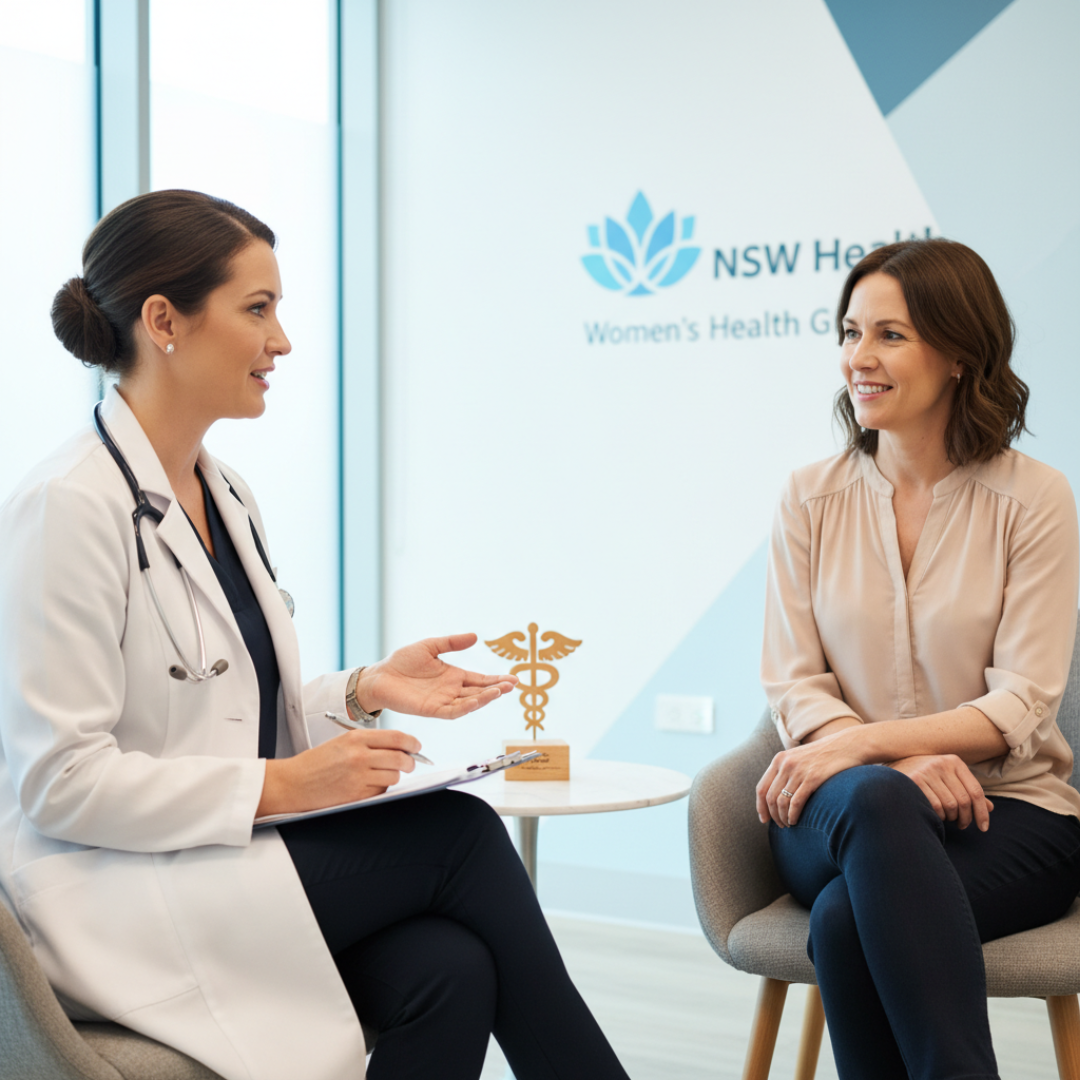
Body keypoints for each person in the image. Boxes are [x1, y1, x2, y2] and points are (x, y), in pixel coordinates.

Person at [0, 189, 631, 1080]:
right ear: (162, 320)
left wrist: (364, 690)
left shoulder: (226, 494)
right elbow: (59, 783)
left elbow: (210, 697)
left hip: (211, 866)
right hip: (106, 894)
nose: (282, 341)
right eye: (258, 310)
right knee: (459, 836)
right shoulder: (66, 506)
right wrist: (283, 785)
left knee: (448, 970)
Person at [757, 238, 1080, 1080]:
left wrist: (876, 744)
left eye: (890, 336)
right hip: (832, 808)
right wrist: (896, 762)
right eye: (850, 332)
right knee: (873, 801)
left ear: (960, 354)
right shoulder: (808, 497)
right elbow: (794, 681)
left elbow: (1024, 702)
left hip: (1009, 814)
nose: (858, 358)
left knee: (842, 920)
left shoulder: (1035, 498)